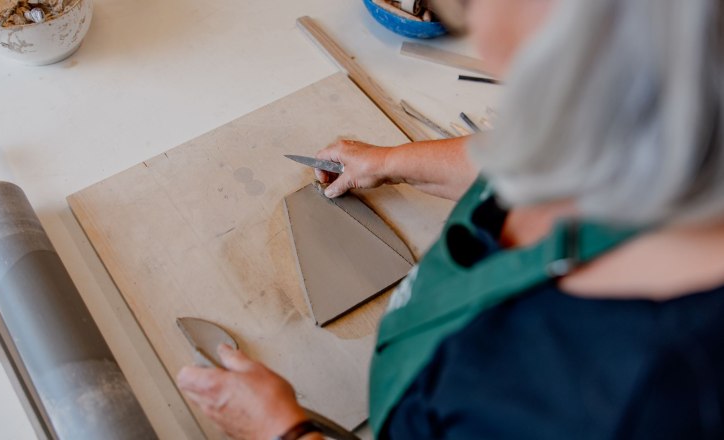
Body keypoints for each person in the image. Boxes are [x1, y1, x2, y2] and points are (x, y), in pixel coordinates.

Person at [176, 0, 724, 438]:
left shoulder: (636, 398)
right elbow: (524, 153)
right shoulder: (629, 116)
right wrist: (391, 163)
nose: (478, 35)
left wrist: (281, 429)